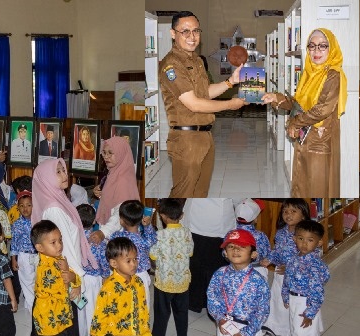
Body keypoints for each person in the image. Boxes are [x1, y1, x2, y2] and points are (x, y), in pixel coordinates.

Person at [158, 11, 247, 197]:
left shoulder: (197, 60)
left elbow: (204, 93)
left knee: (200, 194)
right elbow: (195, 104)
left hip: (205, 136)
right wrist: (230, 104)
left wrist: (230, 81)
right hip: (186, 139)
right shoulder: (171, 65)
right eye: (185, 31)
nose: (192, 37)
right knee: (182, 195)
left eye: (196, 31)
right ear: (173, 33)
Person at [31, 158, 97, 336]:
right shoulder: (54, 209)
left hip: (67, 271)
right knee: (65, 327)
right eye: (57, 172)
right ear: (47, 179)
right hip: (64, 275)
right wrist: (76, 280)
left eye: (63, 169)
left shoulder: (58, 200)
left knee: (66, 326)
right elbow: (63, 247)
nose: (63, 174)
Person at [262, 28, 347, 197]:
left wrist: (294, 122)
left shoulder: (333, 75)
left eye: (322, 46)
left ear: (332, 49)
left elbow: (321, 109)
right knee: (302, 185)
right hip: (305, 136)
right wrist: (276, 98)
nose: (316, 51)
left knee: (317, 187)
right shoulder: (309, 72)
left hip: (321, 139)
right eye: (312, 46)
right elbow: (299, 104)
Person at [207, 229, 270, 336]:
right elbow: (213, 297)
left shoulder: (258, 280)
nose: (235, 250)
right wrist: (219, 318)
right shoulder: (220, 274)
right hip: (226, 325)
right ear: (225, 253)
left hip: (249, 330)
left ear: (253, 253)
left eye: (242, 247)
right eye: (231, 247)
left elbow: (262, 309)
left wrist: (247, 332)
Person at [91, 237, 152, 336]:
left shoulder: (138, 283)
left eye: (135, 259)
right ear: (114, 263)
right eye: (128, 260)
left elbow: (143, 312)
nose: (133, 264)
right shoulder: (109, 288)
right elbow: (99, 316)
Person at [28, 220, 81, 336]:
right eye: (53, 242)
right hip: (51, 322)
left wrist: (72, 276)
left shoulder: (58, 259)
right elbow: (63, 288)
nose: (59, 245)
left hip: (59, 316)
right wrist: (71, 278)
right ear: (39, 247)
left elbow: (71, 276)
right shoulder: (46, 268)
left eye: (60, 240)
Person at [280, 220, 329, 336]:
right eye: (300, 238)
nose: (304, 244)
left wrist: (310, 312)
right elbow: (287, 278)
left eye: (310, 240)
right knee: (300, 332)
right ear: (294, 238)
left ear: (319, 242)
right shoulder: (295, 258)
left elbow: (318, 291)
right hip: (294, 299)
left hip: (306, 302)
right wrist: (285, 295)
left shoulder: (314, 264)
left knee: (302, 334)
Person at [260, 199, 312, 336]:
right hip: (279, 272)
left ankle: (292, 331)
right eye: (285, 211)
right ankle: (273, 326)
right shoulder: (281, 233)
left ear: (303, 215)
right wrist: (269, 259)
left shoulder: (304, 235)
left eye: (293, 211)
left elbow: (307, 257)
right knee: (276, 299)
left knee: (291, 304)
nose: (288, 215)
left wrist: (290, 268)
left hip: (295, 277)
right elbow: (276, 250)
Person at [148, 198, 194, 336]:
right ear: (181, 216)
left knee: (162, 309)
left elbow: (153, 255)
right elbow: (190, 252)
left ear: (163, 216)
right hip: (182, 280)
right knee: (182, 310)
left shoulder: (161, 235)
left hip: (164, 280)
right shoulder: (187, 233)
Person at [182, 198, 236, 314]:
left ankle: (194, 302)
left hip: (198, 222)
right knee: (214, 269)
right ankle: (213, 305)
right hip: (216, 225)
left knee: (196, 266)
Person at [109, 200, 157, 317]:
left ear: (121, 220)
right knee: (142, 306)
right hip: (141, 276)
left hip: (121, 275)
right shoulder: (143, 240)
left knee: (122, 306)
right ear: (141, 219)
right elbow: (153, 239)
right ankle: (141, 331)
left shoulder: (116, 237)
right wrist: (148, 226)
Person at [90, 137, 139, 242]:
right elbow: (113, 199)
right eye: (104, 153)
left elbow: (120, 213)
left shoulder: (123, 179)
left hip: (116, 236)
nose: (106, 157)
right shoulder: (115, 172)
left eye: (110, 153)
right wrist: (100, 193)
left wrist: (103, 232)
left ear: (121, 153)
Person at [76, 204, 109, 336]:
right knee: (93, 308)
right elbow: (104, 261)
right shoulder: (99, 241)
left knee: (79, 307)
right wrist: (106, 276)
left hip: (78, 278)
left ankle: (79, 334)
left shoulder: (73, 238)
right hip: (93, 280)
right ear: (94, 221)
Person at [10, 190, 37, 313]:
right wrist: (13, 259)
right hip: (23, 256)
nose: (25, 209)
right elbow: (14, 243)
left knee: (36, 279)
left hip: (38, 255)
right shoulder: (17, 224)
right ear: (18, 208)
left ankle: (30, 302)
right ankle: (32, 307)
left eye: (29, 205)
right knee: (26, 280)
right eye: (22, 206)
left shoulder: (38, 221)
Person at [233, 198, 271, 281]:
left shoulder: (230, 234)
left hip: (234, 269)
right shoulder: (261, 236)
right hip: (257, 270)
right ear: (255, 219)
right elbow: (267, 254)